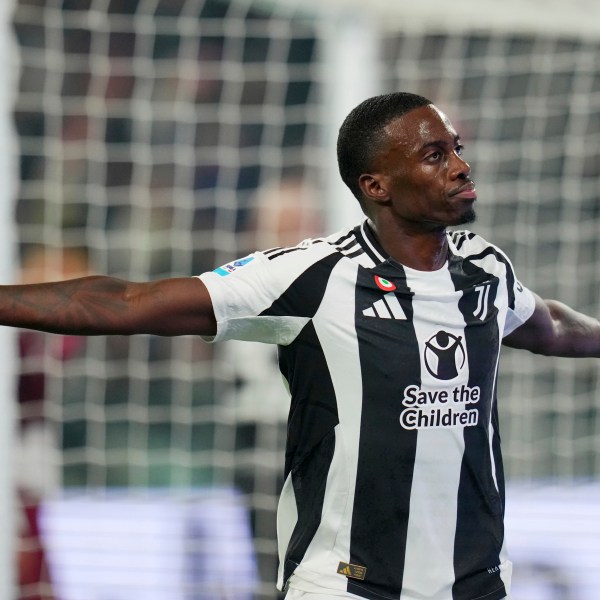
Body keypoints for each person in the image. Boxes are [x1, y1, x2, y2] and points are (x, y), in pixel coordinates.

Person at [2, 92, 599, 600]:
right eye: (435, 154)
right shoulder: (314, 275)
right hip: (345, 585)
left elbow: (551, 325)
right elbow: (131, 302)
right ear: (377, 185)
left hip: (475, 583)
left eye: (457, 148)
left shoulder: (485, 269)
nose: (461, 166)